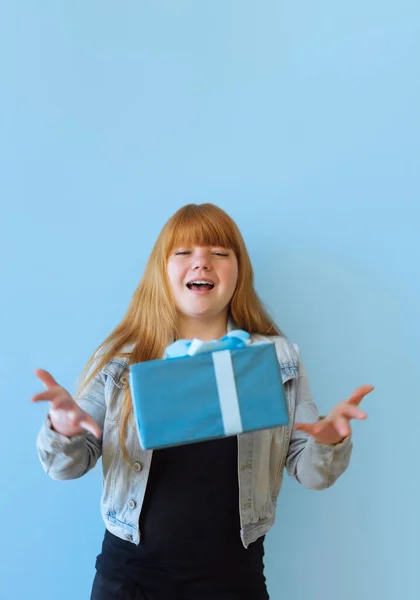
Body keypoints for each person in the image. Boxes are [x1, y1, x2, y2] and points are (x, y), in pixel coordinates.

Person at [34, 203, 374, 600]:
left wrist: (329, 441)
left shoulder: (276, 360)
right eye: (184, 253)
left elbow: (313, 474)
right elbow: (66, 467)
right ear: (162, 270)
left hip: (235, 583)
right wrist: (63, 428)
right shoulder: (122, 361)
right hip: (130, 582)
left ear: (238, 271)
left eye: (219, 253)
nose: (201, 264)